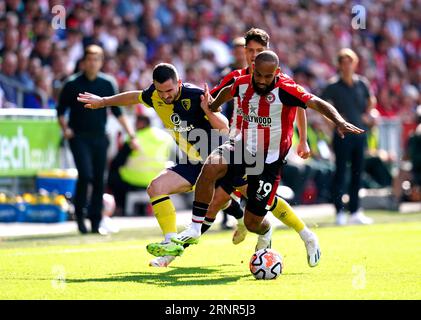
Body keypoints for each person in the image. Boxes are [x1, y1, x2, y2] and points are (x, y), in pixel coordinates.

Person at [153, 51, 364, 265]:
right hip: (241, 147)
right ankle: (195, 228)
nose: (262, 81)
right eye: (259, 75)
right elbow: (228, 91)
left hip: (268, 162)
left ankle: (288, 233)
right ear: (253, 69)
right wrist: (213, 105)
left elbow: (316, 103)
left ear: (276, 73)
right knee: (211, 166)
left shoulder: (286, 89)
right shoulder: (242, 83)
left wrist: (339, 121)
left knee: (254, 222)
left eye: (268, 76)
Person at [77, 63, 240, 267]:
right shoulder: (154, 95)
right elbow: (134, 96)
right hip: (191, 162)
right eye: (160, 91)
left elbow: (224, 126)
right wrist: (103, 102)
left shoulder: (196, 95)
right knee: (156, 188)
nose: (164, 96)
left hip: (218, 160)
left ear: (179, 83)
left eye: (169, 90)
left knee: (253, 208)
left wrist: (209, 111)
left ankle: (260, 234)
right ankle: (170, 241)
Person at [194, 28, 318, 267]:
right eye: (249, 50)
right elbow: (212, 104)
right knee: (220, 198)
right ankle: (183, 241)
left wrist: (303, 140)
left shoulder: (280, 79)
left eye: (258, 51)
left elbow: (301, 105)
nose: (252, 55)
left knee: (255, 201)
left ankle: (299, 233)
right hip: (239, 147)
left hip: (269, 153)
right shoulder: (235, 78)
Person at [57, 45, 138, 234]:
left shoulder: (107, 83)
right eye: (89, 59)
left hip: (100, 138)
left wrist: (131, 134)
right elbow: (60, 110)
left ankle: (95, 221)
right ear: (83, 62)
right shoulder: (71, 84)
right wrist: (66, 128)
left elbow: (117, 111)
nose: (92, 63)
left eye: (96, 59)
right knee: (85, 176)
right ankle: (79, 215)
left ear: (101, 62)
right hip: (79, 138)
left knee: (100, 180)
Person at [321, 48, 376, 226]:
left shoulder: (362, 83)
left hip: (360, 134)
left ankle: (355, 210)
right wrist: (334, 125)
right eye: (343, 62)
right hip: (342, 136)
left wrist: (369, 115)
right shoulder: (333, 86)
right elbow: (324, 109)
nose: (347, 66)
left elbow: (370, 102)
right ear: (339, 65)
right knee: (340, 173)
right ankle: (339, 212)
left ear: (355, 63)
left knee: (358, 173)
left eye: (349, 62)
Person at [107, 111, 173, 216]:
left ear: (141, 123)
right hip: (158, 179)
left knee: (113, 175)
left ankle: (120, 208)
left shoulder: (133, 138)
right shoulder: (165, 137)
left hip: (134, 180)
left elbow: (117, 162)